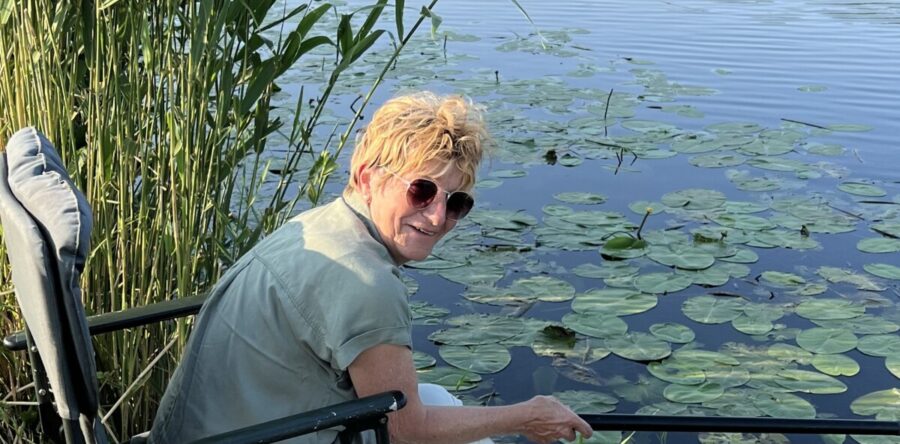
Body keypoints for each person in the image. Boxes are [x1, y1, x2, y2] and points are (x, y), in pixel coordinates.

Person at [149, 92, 593, 443]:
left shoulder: (318, 225)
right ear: (367, 177)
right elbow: (405, 431)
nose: (438, 218)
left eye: (456, 202)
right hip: (255, 435)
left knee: (441, 400)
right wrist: (525, 416)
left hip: (204, 431)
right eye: (421, 191)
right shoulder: (368, 282)